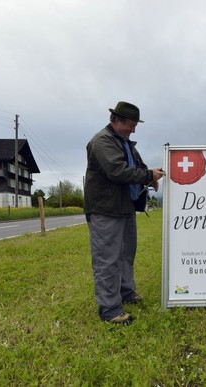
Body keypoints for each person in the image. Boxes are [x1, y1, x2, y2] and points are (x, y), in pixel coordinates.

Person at [84, 101, 165, 325]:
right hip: (105, 210)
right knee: (107, 260)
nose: (134, 129)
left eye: (135, 125)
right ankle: (110, 310)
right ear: (116, 121)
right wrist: (148, 175)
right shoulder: (102, 141)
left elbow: (137, 166)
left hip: (124, 207)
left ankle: (126, 293)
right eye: (131, 124)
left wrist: (150, 176)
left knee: (126, 254)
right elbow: (117, 170)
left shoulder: (125, 142)